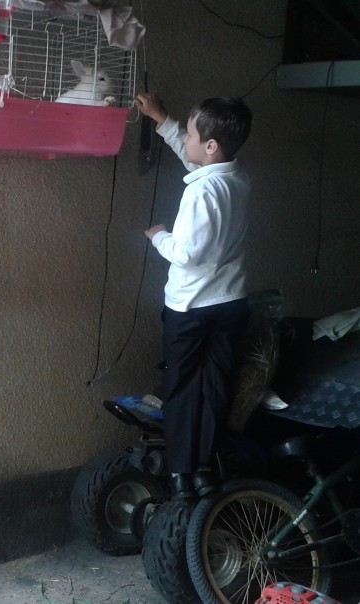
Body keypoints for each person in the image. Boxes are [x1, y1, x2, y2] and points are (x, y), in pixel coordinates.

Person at [133, 93, 253, 499]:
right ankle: (203, 470)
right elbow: (195, 163)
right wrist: (162, 120)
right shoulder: (236, 177)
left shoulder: (201, 193)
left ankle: (180, 474)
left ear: (211, 145)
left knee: (182, 387)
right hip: (230, 304)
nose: (185, 140)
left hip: (191, 310)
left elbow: (186, 254)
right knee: (214, 387)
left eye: (189, 134)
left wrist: (158, 237)